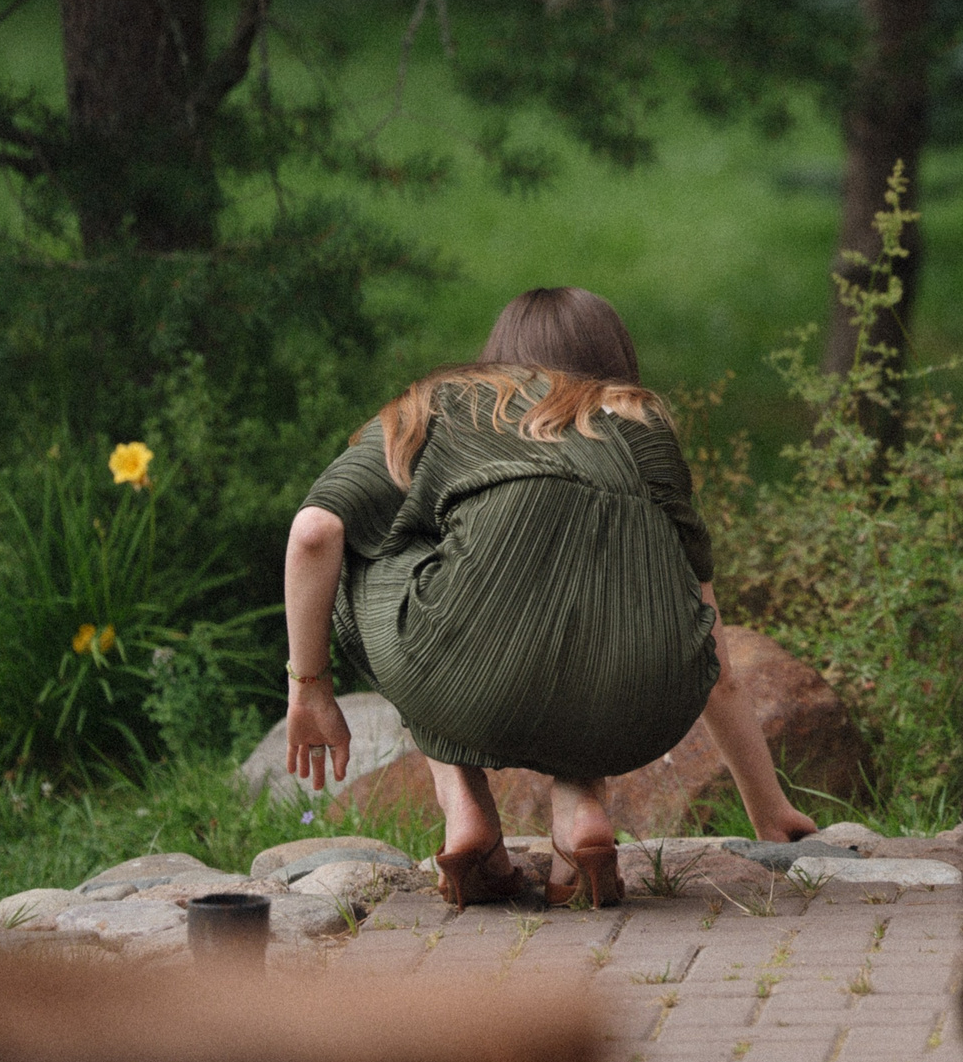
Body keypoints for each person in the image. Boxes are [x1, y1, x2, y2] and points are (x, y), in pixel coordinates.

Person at [280, 287, 817, 906]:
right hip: (645, 704)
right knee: (601, 575)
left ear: (496, 357)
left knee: (368, 543)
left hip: (466, 681)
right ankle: (580, 808)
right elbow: (716, 661)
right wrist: (768, 808)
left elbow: (314, 533)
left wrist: (309, 685)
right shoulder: (643, 424)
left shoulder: (443, 405)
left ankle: (465, 809)